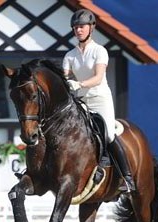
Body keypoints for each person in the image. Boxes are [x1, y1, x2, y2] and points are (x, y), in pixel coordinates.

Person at [62, 9, 135, 192]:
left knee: (109, 134)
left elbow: (98, 78)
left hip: (99, 98)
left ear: (91, 28)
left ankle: (126, 178)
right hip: (81, 100)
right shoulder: (70, 55)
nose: (78, 30)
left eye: (82, 27)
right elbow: (64, 77)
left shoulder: (99, 51)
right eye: (76, 27)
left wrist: (78, 84)